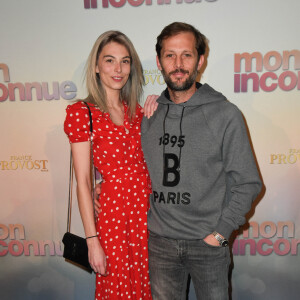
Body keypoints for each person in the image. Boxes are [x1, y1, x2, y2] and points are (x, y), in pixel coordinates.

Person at [140, 22, 262, 300]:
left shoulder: (225, 114)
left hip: (208, 244)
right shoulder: (148, 116)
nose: (178, 64)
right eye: (170, 55)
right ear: (159, 62)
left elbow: (248, 182)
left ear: (200, 60)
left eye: (187, 54)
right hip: (159, 245)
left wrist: (221, 233)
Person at [64, 31, 154, 300]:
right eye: (109, 60)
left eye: (125, 61)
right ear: (96, 66)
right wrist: (92, 241)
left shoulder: (137, 111)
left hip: (148, 215)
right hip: (114, 218)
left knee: (148, 287)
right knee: (118, 289)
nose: (118, 69)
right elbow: (82, 181)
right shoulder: (83, 113)